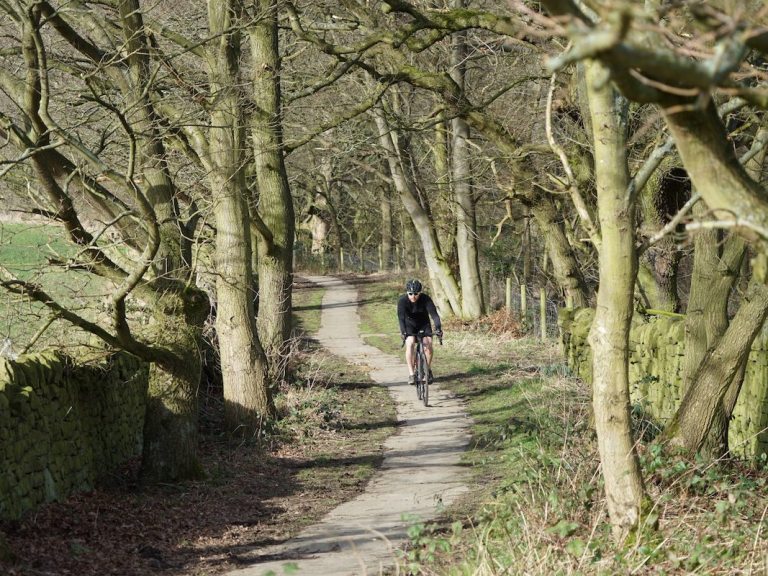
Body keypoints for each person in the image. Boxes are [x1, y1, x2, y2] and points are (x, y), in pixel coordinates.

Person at [397, 279, 442, 385]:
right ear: (407, 293)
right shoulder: (402, 301)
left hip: (424, 324)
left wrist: (438, 328)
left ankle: (427, 370)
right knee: (410, 343)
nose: (413, 296)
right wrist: (403, 332)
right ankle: (411, 374)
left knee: (428, 344)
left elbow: (434, 315)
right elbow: (401, 318)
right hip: (409, 325)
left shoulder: (426, 299)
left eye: (416, 294)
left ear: (420, 293)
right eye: (410, 294)